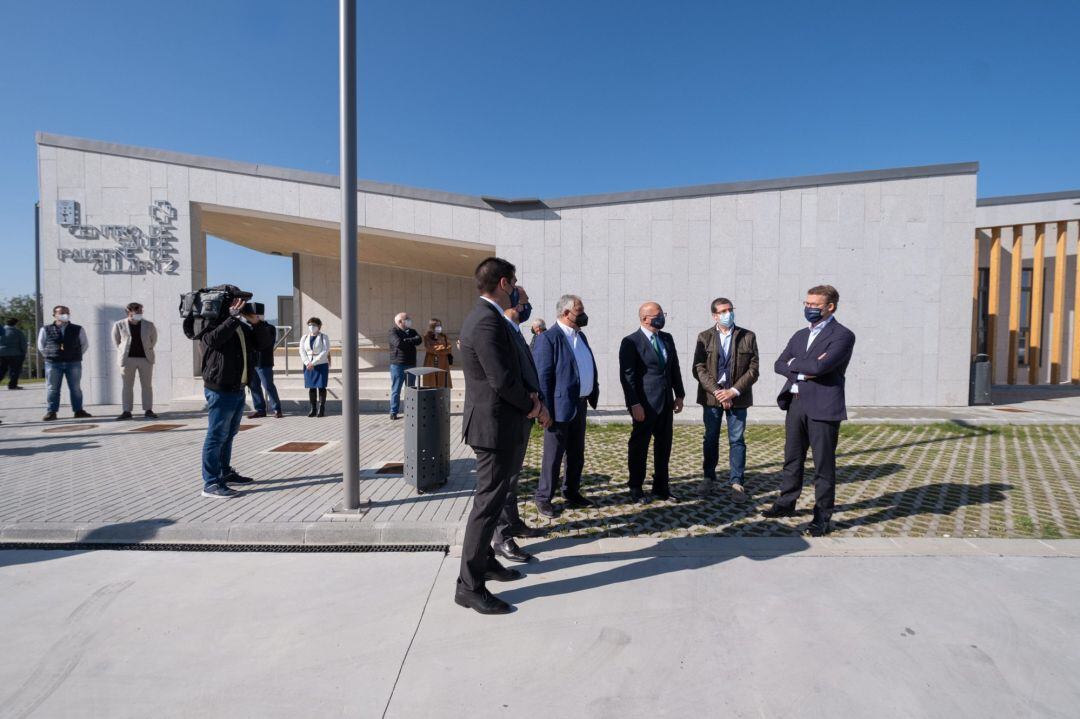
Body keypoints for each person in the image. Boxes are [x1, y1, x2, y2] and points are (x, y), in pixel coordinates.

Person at [455, 257, 549, 615]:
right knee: (487, 506)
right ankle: (468, 585)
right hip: (493, 426)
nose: (518, 291)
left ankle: (486, 562)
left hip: (503, 423)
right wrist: (533, 405)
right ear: (505, 283)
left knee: (494, 503)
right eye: (515, 283)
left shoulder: (492, 318)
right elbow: (500, 379)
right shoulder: (484, 321)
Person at [761, 285, 856, 536]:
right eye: (807, 304)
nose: (809, 309)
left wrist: (799, 366)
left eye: (815, 305)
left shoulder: (842, 335)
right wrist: (804, 368)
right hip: (796, 403)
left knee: (823, 465)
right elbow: (779, 363)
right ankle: (786, 503)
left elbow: (821, 367)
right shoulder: (799, 335)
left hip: (824, 407)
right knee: (792, 459)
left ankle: (822, 516)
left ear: (830, 307)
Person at [491, 285, 549, 565]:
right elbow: (504, 379)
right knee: (502, 481)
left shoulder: (517, 332)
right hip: (510, 416)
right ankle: (501, 538)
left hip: (523, 415)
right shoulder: (500, 331)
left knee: (513, 477)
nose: (528, 307)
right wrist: (532, 405)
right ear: (512, 303)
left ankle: (513, 523)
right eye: (526, 301)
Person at [532, 294, 599, 518]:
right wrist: (545, 409)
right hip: (557, 409)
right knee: (553, 456)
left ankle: (571, 491)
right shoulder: (548, 338)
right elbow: (543, 378)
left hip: (579, 405)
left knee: (576, 454)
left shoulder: (581, 337)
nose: (584, 316)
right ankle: (543, 498)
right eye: (579, 312)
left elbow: (586, 364)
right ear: (566, 313)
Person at [692, 297, 759, 500]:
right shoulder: (704, 337)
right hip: (712, 398)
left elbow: (754, 369)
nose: (727, 313)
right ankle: (708, 478)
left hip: (738, 398)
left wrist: (733, 391)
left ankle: (737, 482)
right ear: (714, 315)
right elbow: (699, 368)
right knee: (710, 437)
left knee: (737, 440)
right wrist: (718, 392)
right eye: (723, 311)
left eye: (730, 309)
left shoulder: (748, 336)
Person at [618, 302, 685, 503]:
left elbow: (674, 368)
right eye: (658, 315)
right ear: (645, 318)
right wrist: (634, 404)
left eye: (662, 314)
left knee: (664, 446)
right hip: (644, 405)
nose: (661, 318)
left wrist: (679, 394)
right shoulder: (631, 342)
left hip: (665, 403)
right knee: (639, 446)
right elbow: (627, 376)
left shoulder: (666, 338)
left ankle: (661, 487)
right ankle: (636, 487)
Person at [194, 291, 257, 499]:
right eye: (236, 301)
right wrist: (231, 318)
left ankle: (224, 472)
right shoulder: (210, 322)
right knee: (216, 435)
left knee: (229, 434)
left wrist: (256, 322)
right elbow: (212, 341)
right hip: (220, 389)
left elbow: (263, 343)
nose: (240, 305)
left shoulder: (238, 324)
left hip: (237, 388)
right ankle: (211, 483)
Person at [38, 305, 91, 421]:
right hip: (53, 363)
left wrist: (74, 355)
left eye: (67, 312)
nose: (65, 315)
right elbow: (41, 346)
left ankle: (78, 410)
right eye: (61, 313)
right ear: (54, 315)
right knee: (53, 388)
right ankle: (51, 412)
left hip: (73, 363)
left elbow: (84, 344)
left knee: (75, 388)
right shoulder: (45, 329)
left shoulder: (78, 329)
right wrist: (50, 355)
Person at [112, 302, 158, 420]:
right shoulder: (119, 325)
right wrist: (124, 351)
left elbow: (153, 340)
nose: (140, 313)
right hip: (127, 360)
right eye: (137, 311)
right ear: (129, 311)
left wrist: (147, 349)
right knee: (127, 386)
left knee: (147, 386)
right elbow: (117, 341)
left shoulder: (149, 325)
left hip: (145, 359)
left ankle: (148, 410)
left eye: (141, 311)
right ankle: (127, 411)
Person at [244, 303, 283, 419]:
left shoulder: (269, 328)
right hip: (252, 362)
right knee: (254, 387)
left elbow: (267, 343)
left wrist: (257, 325)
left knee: (268, 386)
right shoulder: (248, 328)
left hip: (264, 362)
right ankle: (260, 409)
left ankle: (277, 409)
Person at [388, 312, 422, 420]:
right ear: (399, 322)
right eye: (406, 319)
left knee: (411, 389)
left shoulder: (412, 331)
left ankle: (410, 411)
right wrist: (411, 341)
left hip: (411, 364)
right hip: (398, 365)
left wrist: (408, 340)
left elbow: (419, 340)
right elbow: (399, 344)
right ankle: (394, 412)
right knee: (396, 390)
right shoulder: (393, 332)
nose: (409, 320)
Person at [299, 317, 330, 417]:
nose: (311, 327)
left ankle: (321, 408)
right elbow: (302, 351)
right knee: (311, 387)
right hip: (308, 365)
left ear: (319, 326)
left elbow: (325, 351)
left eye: (314, 325)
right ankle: (313, 408)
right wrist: (307, 362)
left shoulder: (323, 337)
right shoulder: (304, 337)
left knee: (321, 386)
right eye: (309, 325)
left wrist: (314, 362)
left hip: (321, 364)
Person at [421, 318, 453, 388]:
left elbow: (449, 348)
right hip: (431, 361)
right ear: (432, 326)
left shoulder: (444, 336)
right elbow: (429, 349)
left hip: (443, 361)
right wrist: (442, 348)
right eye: (437, 325)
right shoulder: (427, 336)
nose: (439, 327)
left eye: (440, 325)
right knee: (431, 382)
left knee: (443, 380)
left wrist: (438, 349)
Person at [0, 317, 28, 390]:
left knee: (2, 370)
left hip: (1, 354)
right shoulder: (18, 332)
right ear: (15, 323)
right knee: (15, 370)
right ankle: (12, 385)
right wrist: (24, 352)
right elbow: (23, 344)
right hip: (16, 354)